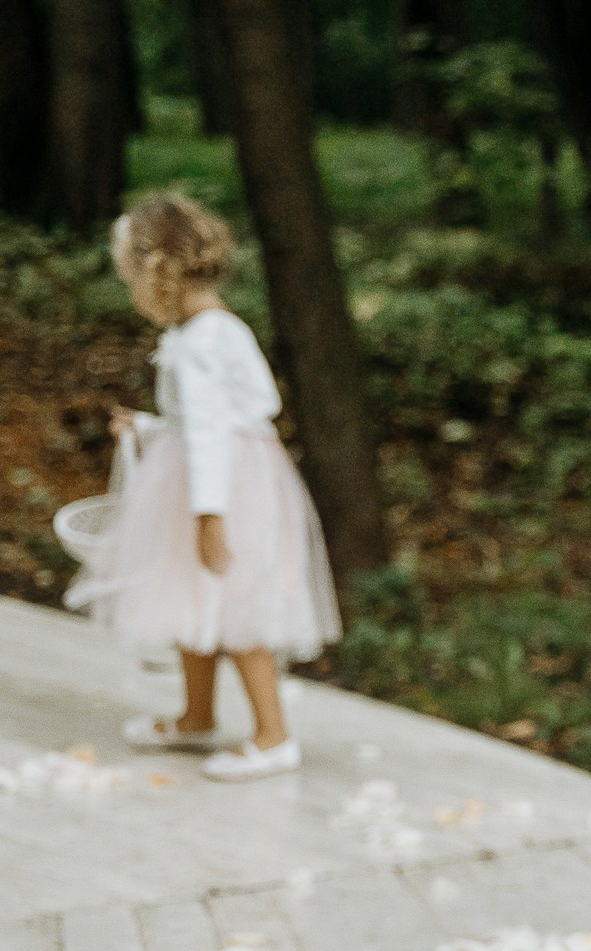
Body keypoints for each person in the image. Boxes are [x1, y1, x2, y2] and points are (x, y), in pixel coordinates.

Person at [65, 193, 340, 780]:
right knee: (190, 602)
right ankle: (196, 715)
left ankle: (272, 736)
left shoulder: (204, 340)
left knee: (239, 609)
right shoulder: (206, 332)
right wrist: (148, 427)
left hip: (221, 488)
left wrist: (210, 515)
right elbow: (211, 419)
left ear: (156, 274)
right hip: (205, 475)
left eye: (130, 278)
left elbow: (216, 432)